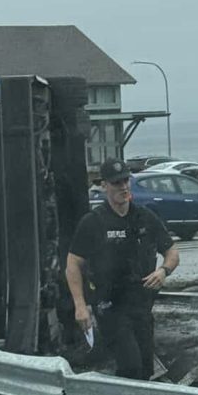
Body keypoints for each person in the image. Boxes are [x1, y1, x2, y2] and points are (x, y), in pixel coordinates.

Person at [65, 158, 179, 380]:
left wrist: (164, 271)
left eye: (126, 180)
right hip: (110, 305)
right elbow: (72, 264)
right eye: (117, 183)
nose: (123, 187)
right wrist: (80, 305)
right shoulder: (93, 222)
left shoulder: (145, 217)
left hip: (141, 304)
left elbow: (172, 251)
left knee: (146, 368)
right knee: (131, 365)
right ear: (105, 185)